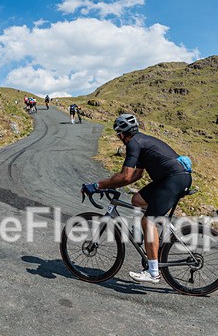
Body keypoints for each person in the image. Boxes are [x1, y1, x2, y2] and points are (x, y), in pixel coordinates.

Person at [81, 114, 192, 284]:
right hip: (173, 178)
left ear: (121, 134)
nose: (119, 138)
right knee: (137, 200)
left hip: (174, 179)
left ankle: (153, 272)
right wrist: (111, 184)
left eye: (118, 134)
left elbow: (125, 177)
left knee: (148, 222)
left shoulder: (133, 144)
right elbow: (136, 175)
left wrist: (98, 185)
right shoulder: (141, 142)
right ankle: (155, 237)